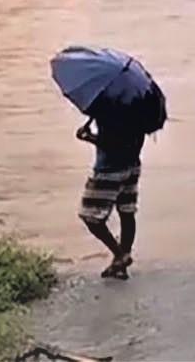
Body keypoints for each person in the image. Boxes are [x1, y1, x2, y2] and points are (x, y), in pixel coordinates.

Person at [76, 98, 145, 280]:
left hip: (109, 170)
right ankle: (121, 263)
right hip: (132, 165)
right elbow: (132, 140)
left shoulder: (107, 106)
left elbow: (112, 143)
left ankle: (120, 255)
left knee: (90, 217)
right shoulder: (141, 105)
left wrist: (89, 138)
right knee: (127, 212)